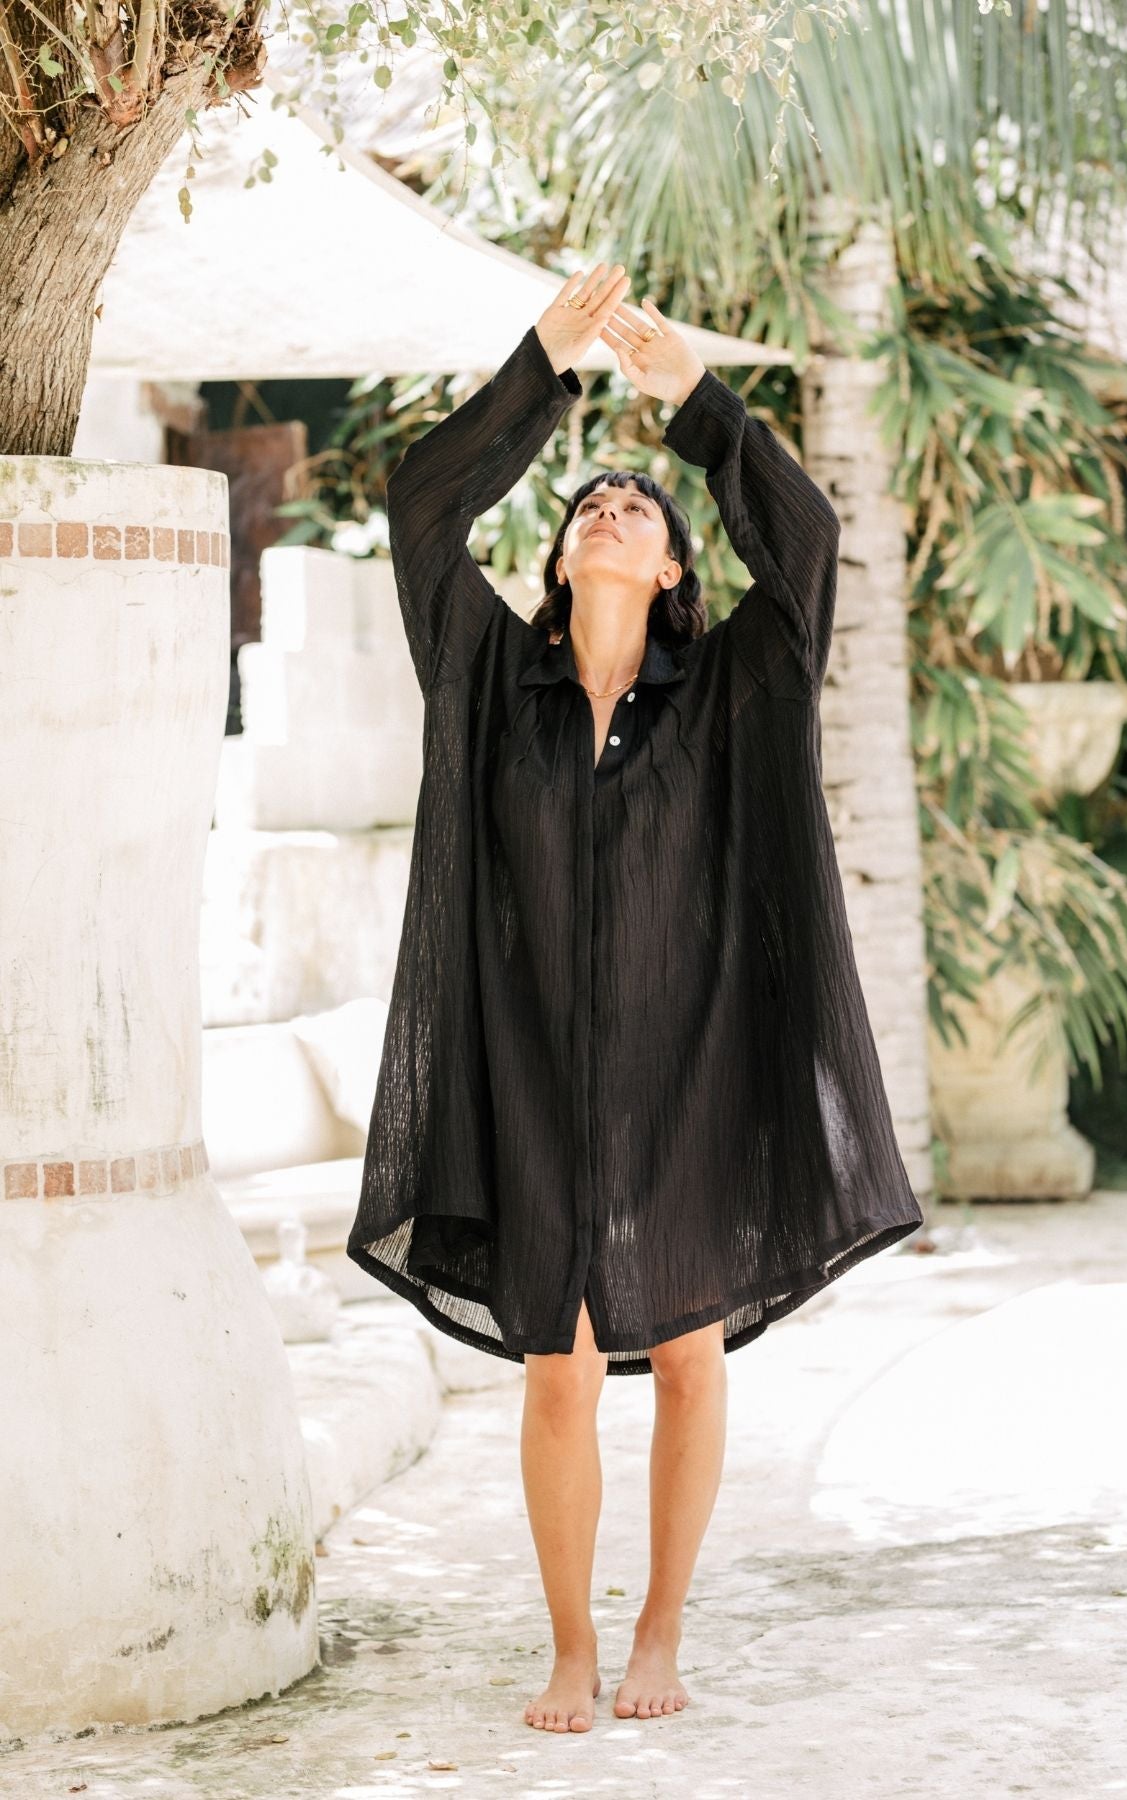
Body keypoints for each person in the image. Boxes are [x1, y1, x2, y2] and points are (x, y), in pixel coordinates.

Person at [347, 262, 925, 1734]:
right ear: (556, 566)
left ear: (673, 568)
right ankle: (564, 1647)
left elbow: (806, 542)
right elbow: (422, 511)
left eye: (638, 510)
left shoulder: (737, 686)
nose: (611, 512)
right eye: (587, 509)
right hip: (530, 1078)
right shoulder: (484, 677)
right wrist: (542, 369)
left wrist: (692, 406)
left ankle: (660, 1628)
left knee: (681, 1354)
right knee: (558, 1369)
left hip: (697, 1070)